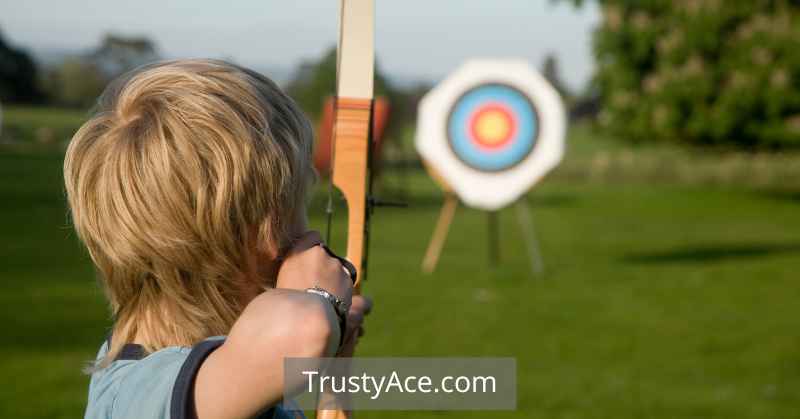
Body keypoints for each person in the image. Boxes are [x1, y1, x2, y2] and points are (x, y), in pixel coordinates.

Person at [64, 59, 372, 419]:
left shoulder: (228, 370)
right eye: (299, 201)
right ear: (265, 231)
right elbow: (306, 330)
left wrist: (337, 351)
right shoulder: (145, 394)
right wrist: (321, 300)